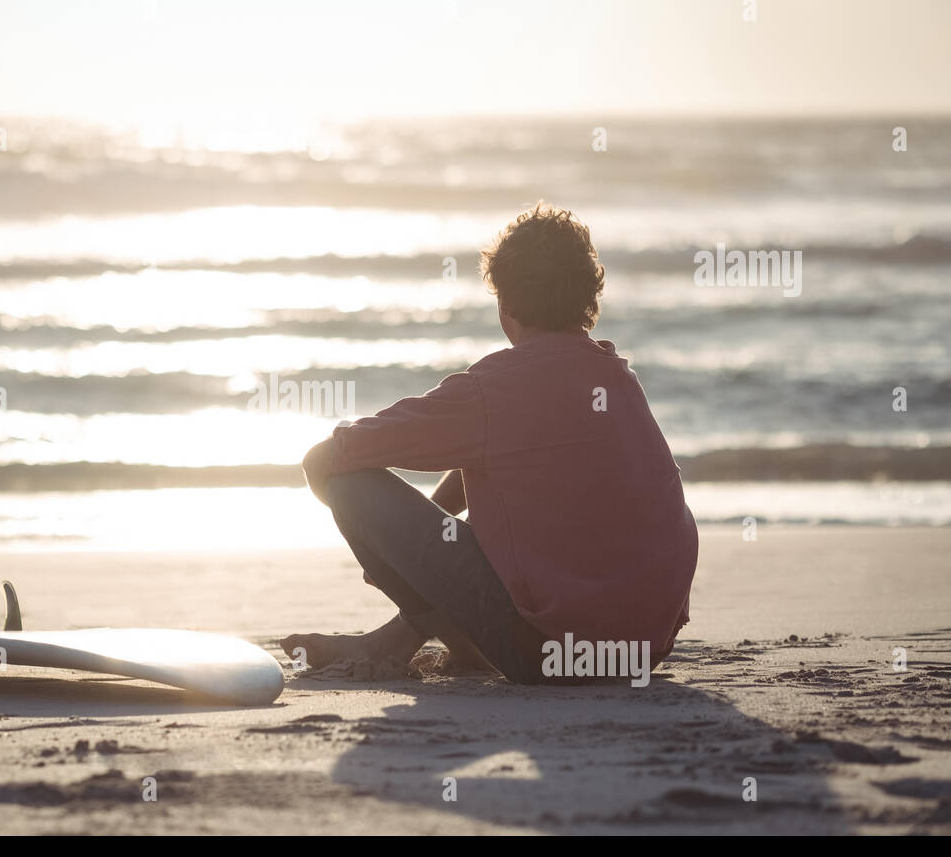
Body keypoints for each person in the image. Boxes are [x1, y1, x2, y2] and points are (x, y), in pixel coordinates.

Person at [282, 203, 698, 685]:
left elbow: (329, 460)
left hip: (543, 656)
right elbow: (504, 453)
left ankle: (436, 642)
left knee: (348, 485)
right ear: (589, 298)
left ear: (505, 307)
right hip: (641, 653)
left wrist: (400, 561)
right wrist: (432, 529)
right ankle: (390, 642)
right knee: (525, 505)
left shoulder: (493, 390)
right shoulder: (619, 383)